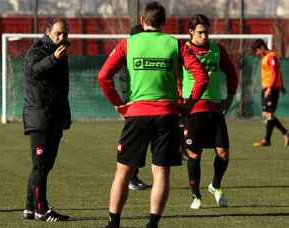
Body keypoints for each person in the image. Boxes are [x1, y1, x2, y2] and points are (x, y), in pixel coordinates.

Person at [98, 2, 209, 227]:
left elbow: (103, 76)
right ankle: (152, 224)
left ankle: (114, 223)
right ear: (163, 23)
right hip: (167, 115)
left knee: (123, 171)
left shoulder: (128, 43)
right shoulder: (174, 44)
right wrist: (188, 105)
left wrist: (118, 104)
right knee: (161, 173)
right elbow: (202, 77)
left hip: (137, 114)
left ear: (142, 21)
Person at [181, 14, 238, 210]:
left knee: (223, 154)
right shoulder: (183, 50)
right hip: (193, 110)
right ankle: (196, 196)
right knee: (194, 155)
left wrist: (229, 98)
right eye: (200, 32)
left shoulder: (217, 49)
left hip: (214, 109)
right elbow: (174, 78)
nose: (204, 36)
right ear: (191, 32)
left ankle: (215, 185)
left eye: (207, 31)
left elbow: (231, 74)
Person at [22, 18, 71, 222]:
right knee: (41, 165)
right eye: (58, 33)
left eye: (65, 34)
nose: (62, 37)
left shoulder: (61, 53)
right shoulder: (37, 50)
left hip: (54, 117)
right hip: (39, 117)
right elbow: (32, 71)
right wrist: (53, 59)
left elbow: (61, 89)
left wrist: (65, 115)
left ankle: (29, 208)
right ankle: (42, 209)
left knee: (43, 166)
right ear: (48, 31)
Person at [118, 23, 152, 191]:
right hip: (134, 105)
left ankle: (134, 176)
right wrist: (124, 104)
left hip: (139, 106)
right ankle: (130, 177)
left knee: (140, 142)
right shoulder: (129, 54)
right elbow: (123, 81)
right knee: (134, 144)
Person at [251, 39, 289, 147]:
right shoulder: (266, 57)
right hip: (267, 88)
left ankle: (269, 139)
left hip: (270, 88)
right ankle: (282, 134)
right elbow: (277, 72)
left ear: (262, 47)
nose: (257, 54)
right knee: (267, 114)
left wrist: (270, 88)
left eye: (257, 51)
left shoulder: (272, 56)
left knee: (269, 114)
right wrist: (280, 86)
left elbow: (275, 72)